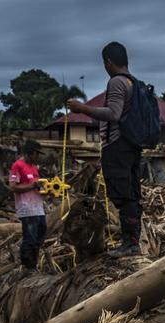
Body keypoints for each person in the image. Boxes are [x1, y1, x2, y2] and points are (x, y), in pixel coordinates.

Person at [68, 41, 142, 257]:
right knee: (132, 194)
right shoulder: (134, 83)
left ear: (108, 62)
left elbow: (114, 114)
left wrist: (82, 109)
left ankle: (130, 243)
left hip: (117, 145)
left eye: (104, 63)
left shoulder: (117, 82)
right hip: (131, 146)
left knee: (122, 195)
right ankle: (132, 240)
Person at [9, 139, 47, 271]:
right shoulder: (18, 166)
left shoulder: (34, 168)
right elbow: (13, 187)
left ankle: (34, 264)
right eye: (37, 154)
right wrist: (32, 186)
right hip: (27, 208)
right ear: (30, 153)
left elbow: (36, 185)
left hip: (38, 207)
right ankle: (27, 266)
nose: (38, 157)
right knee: (30, 238)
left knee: (40, 235)